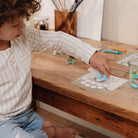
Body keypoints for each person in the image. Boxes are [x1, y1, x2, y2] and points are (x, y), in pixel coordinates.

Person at [0, 0, 110, 138]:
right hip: (3, 121)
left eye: (23, 21)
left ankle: (47, 132)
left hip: (27, 115)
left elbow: (58, 39)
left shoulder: (24, 37)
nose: (23, 27)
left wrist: (91, 55)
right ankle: (50, 132)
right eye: (16, 25)